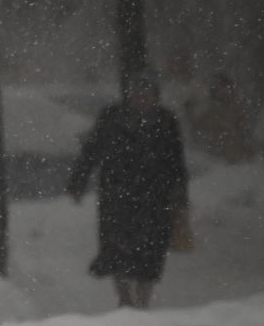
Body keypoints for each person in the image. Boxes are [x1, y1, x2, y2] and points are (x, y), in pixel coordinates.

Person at [67, 67, 190, 310]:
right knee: (117, 248)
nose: (142, 99)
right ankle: (123, 298)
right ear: (130, 95)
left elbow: (176, 163)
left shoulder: (166, 122)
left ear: (156, 95)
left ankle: (142, 301)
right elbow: (92, 150)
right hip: (118, 196)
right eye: (137, 93)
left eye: (148, 93)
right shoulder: (112, 117)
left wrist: (180, 198)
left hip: (155, 198)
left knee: (151, 251)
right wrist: (78, 181)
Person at [185, 72, 255, 164]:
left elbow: (244, 129)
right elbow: (198, 125)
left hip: (233, 154)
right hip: (212, 155)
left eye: (219, 86)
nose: (215, 88)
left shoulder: (236, 106)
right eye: (213, 86)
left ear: (227, 88)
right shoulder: (207, 105)